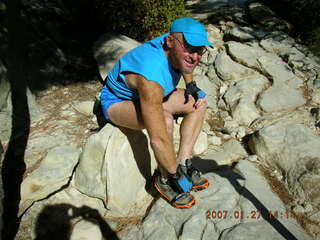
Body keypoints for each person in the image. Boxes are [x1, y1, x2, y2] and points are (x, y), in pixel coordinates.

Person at [100, 17, 213, 208]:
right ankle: (164, 179)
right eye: (189, 48)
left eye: (199, 50)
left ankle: (184, 161)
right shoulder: (151, 76)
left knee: (198, 103)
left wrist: (191, 85)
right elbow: (157, 138)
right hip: (118, 102)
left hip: (155, 95)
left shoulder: (175, 41)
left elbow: (186, 61)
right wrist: (172, 172)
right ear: (170, 42)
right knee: (164, 121)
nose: (195, 56)